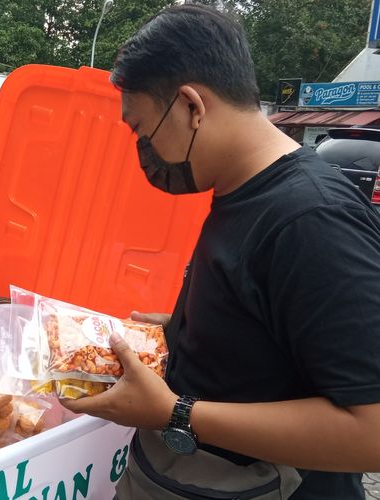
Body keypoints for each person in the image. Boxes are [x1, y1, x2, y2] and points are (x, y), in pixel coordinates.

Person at [62, 5, 380, 499]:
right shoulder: (240, 190)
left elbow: (372, 430)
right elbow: (272, 328)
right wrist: (185, 331)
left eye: (143, 131)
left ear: (192, 105)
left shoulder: (310, 219)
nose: (143, 151)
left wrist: (176, 413)